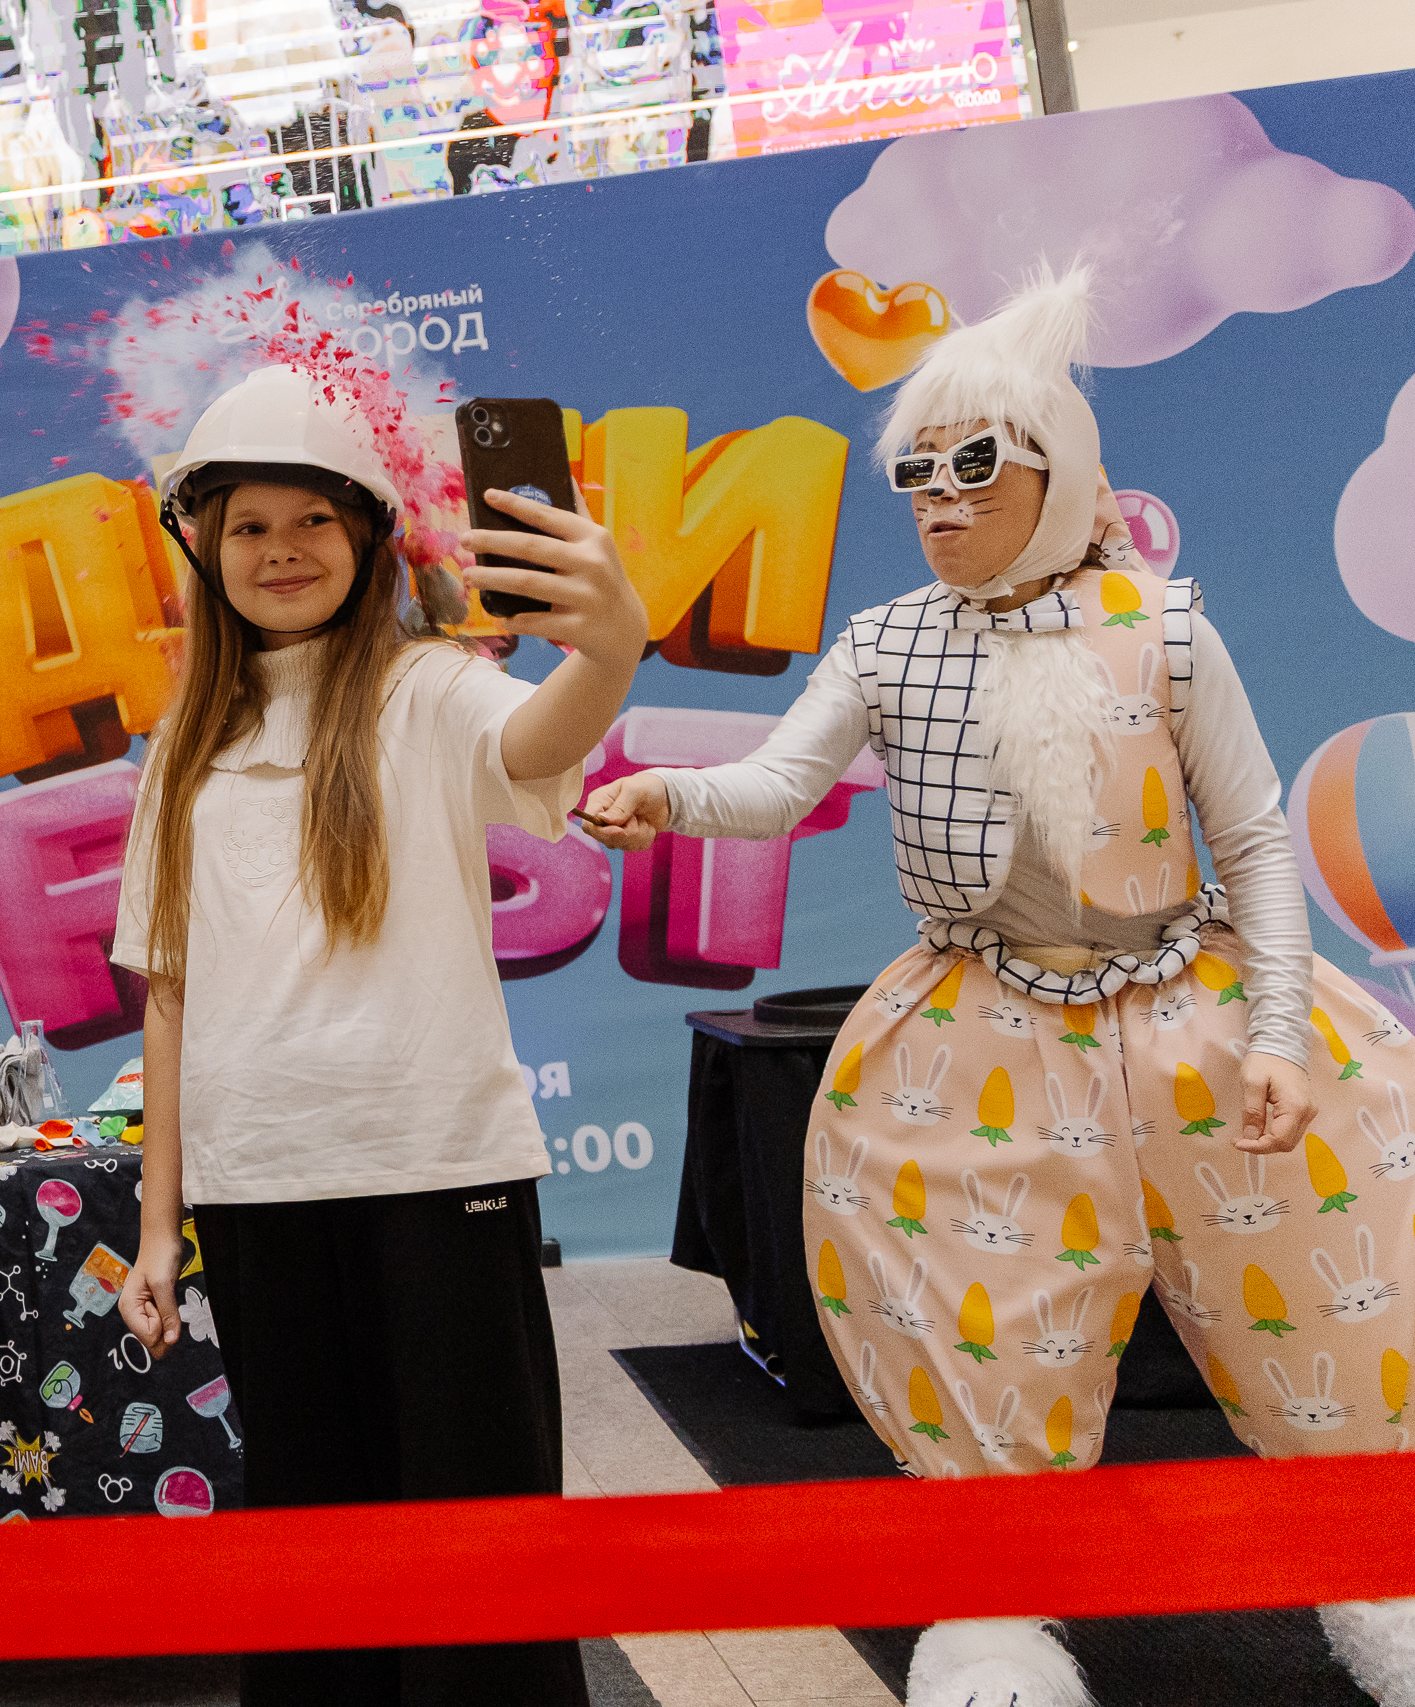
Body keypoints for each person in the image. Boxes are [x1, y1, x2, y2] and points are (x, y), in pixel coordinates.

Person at [583, 268, 1415, 1707]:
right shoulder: (889, 644)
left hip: (1195, 1011)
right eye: (915, 471)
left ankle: (1380, 1578)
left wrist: (1281, 1030)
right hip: (983, 1034)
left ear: (1059, 474)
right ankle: (992, 1608)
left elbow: (1254, 836)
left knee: (1326, 1300)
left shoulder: (1164, 629)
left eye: (974, 463)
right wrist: (671, 795)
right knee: (981, 1316)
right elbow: (778, 781)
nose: (940, 498)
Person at [112, 364, 647, 1707]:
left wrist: (610, 647)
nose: (280, 549)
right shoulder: (182, 744)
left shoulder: (429, 689)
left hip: (438, 1175)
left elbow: (541, 733)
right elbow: (168, 993)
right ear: (203, 547)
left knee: (481, 1546)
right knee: (317, 1553)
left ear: (365, 535)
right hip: (259, 1193)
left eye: (312, 518)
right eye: (247, 525)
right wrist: (159, 1227)